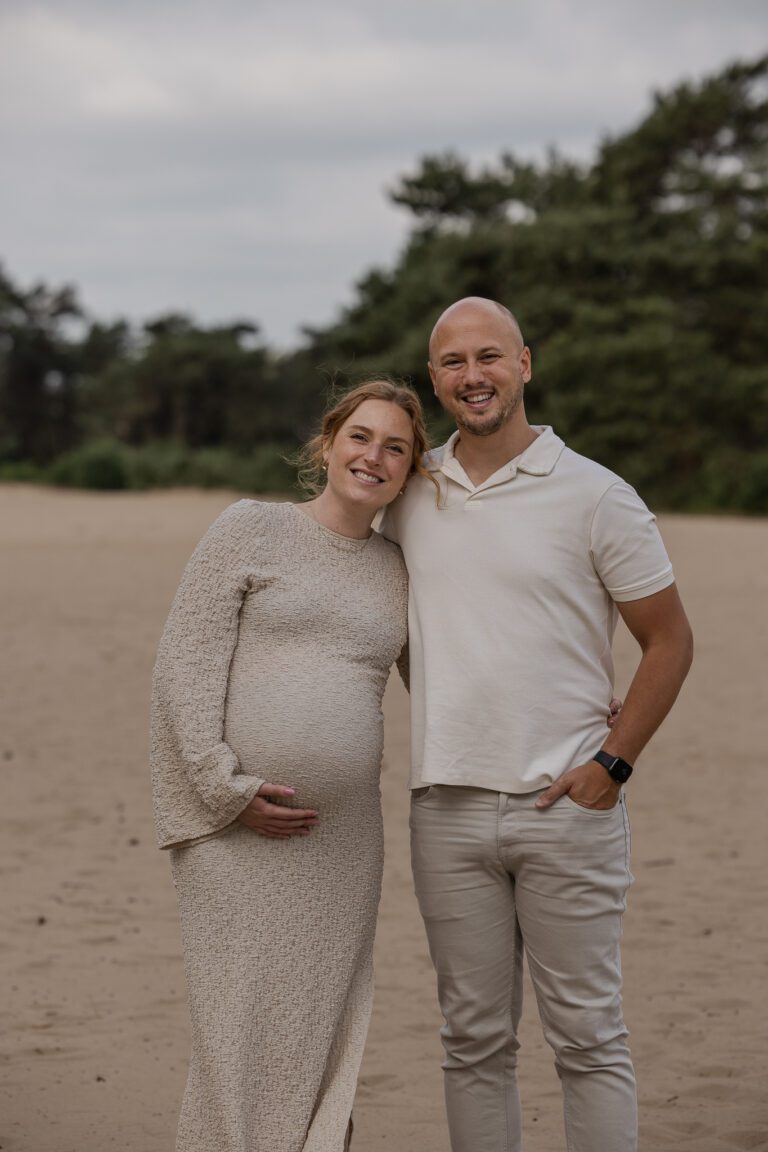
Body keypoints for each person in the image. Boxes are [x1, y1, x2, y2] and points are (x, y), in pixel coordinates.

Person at [381, 297, 694, 1152]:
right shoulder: (411, 491)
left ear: (526, 364)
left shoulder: (596, 494)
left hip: (567, 807)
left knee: (588, 1040)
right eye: (452, 362)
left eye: (489, 357)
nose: (472, 376)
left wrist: (613, 764)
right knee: (472, 1043)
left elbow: (668, 641)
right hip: (443, 811)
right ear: (435, 378)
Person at [150, 379, 431, 1152]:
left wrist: (575, 706)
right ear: (328, 443)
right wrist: (225, 790)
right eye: (361, 437)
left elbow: (453, 680)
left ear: (410, 471)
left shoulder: (400, 570)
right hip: (234, 834)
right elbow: (184, 668)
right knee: (237, 1029)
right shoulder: (252, 528)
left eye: (396, 447)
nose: (374, 456)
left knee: (322, 1028)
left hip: (341, 844)